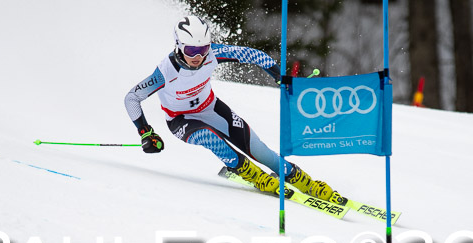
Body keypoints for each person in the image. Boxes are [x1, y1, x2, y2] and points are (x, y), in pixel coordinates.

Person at [124, 15, 340, 202]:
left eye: (203, 49)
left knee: (261, 151)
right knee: (211, 138)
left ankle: (302, 181)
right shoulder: (165, 71)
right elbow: (132, 98)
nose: (198, 57)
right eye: (191, 50)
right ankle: (251, 174)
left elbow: (254, 55)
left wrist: (277, 74)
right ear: (179, 45)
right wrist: (146, 132)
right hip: (181, 120)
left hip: (212, 109)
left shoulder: (213, 55)